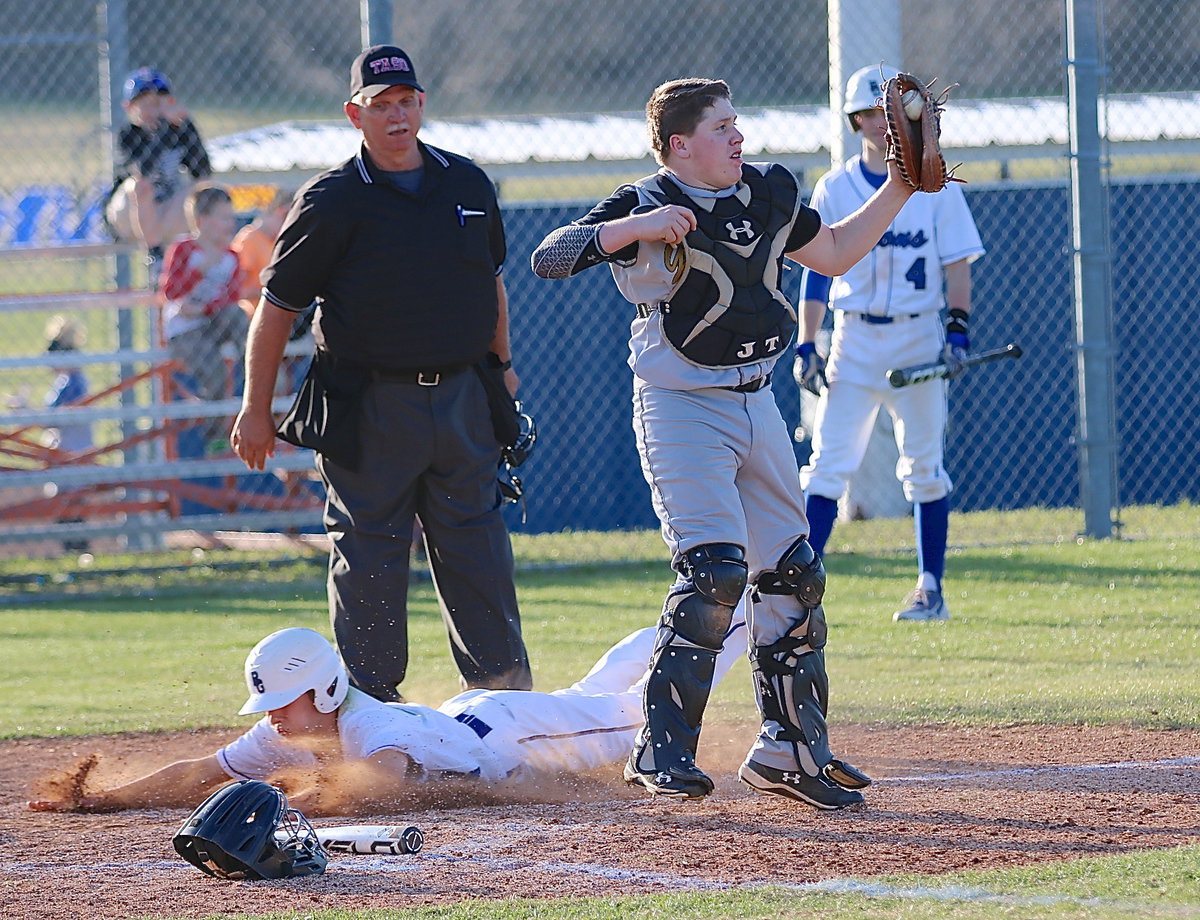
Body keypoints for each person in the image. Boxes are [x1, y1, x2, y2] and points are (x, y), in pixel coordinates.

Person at [530, 77, 923, 810]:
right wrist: (630, 232)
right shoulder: (643, 199)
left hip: (758, 401)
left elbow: (834, 251)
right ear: (680, 145)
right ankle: (662, 747)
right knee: (714, 573)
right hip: (681, 407)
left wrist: (901, 186)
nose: (738, 137)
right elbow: (549, 257)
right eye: (722, 127)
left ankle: (790, 751)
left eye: (738, 122)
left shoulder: (766, 195)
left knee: (795, 576)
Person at [230, 46, 531, 700]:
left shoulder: (468, 185)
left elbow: (492, 287)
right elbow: (276, 310)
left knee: (478, 554)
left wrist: (503, 371)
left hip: (461, 397)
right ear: (354, 114)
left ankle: (504, 707)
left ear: (421, 104)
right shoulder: (332, 199)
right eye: (379, 105)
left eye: (405, 102)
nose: (395, 115)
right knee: (369, 558)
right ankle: (370, 711)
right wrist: (256, 411)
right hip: (368, 406)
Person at [27, 607, 748, 817]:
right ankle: (709, 603)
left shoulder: (369, 728)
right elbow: (201, 770)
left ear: (323, 689)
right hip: (483, 720)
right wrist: (104, 800)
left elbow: (382, 781)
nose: (273, 717)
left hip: (519, 737)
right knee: (606, 689)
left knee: (636, 710)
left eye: (283, 700)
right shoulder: (295, 729)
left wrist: (280, 800)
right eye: (268, 705)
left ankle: (752, 610)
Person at [795, 66, 985, 623]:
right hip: (854, 337)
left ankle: (931, 588)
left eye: (892, 112)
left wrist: (957, 328)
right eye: (872, 113)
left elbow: (958, 264)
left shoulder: (935, 185)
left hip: (916, 335)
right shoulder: (835, 187)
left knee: (924, 467)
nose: (884, 122)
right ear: (857, 121)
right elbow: (816, 272)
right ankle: (796, 588)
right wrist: (808, 341)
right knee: (828, 464)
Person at [159, 184, 250, 451]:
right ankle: (216, 436)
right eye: (223, 218)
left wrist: (206, 309)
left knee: (237, 314)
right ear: (201, 221)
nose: (230, 224)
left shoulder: (231, 256)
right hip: (185, 329)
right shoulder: (184, 250)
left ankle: (256, 375)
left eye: (231, 217)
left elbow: (232, 296)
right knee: (216, 373)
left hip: (212, 321)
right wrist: (200, 271)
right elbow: (170, 291)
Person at [105, 67, 212, 281]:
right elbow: (141, 171)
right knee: (139, 185)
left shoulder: (178, 129)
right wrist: (163, 128)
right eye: (146, 104)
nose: (154, 111)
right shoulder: (127, 135)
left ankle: (203, 256)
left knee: (204, 189)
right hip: (128, 216)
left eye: (160, 103)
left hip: (167, 213)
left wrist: (187, 126)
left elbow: (202, 171)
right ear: (129, 108)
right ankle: (155, 257)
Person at [41, 316, 93, 457]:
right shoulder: (64, 381)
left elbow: (54, 420)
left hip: (71, 455)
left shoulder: (74, 383)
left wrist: (25, 411)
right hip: (62, 453)